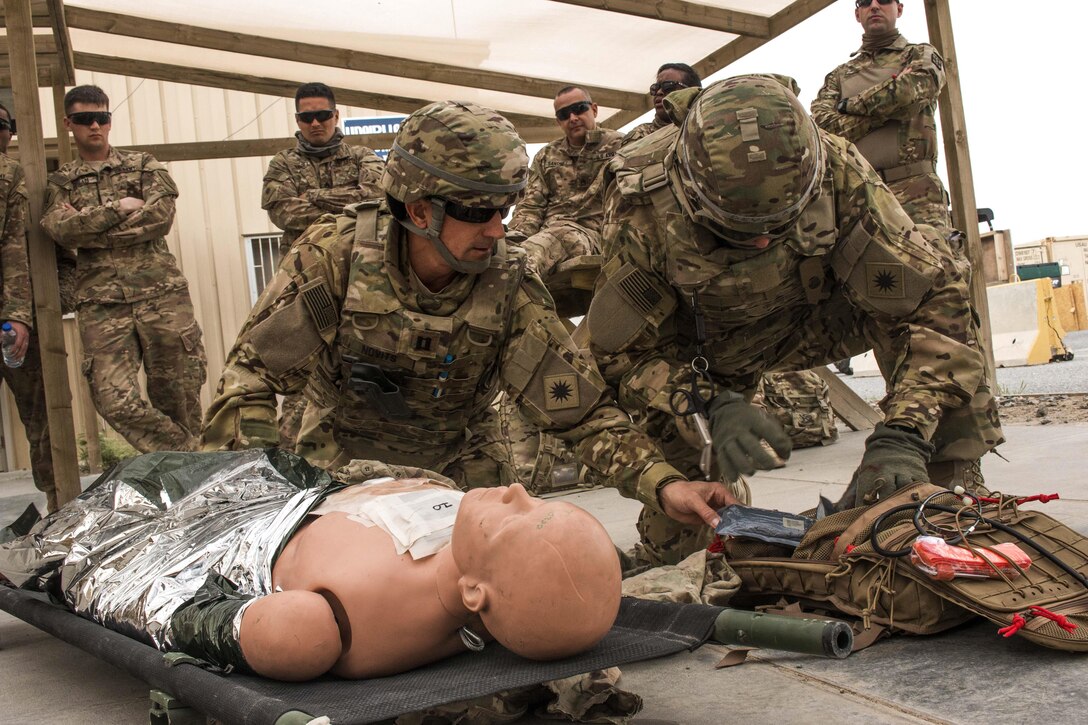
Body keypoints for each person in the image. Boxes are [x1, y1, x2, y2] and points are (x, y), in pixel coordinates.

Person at [201, 100, 732, 531]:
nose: (498, 231)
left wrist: (663, 482)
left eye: (503, 210)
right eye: (479, 213)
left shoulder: (509, 284)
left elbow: (578, 409)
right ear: (419, 209)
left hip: (464, 462)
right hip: (340, 460)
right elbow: (248, 380)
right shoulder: (335, 260)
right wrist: (260, 504)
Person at [587, 75, 1003, 523]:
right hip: (710, 353)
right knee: (690, 531)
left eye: (780, 226)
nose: (765, 243)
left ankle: (950, 496)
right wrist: (705, 401)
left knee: (945, 306)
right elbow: (623, 355)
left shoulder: (836, 165)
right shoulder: (640, 202)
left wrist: (904, 433)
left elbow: (936, 300)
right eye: (739, 233)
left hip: (819, 319)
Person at [0, 451, 620, 682]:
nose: (515, 490)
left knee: (108, 503)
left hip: (219, 539)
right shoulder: (472, 557)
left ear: (477, 594)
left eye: (512, 518)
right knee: (142, 468)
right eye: (534, 498)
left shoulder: (322, 626)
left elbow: (177, 610)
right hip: (283, 486)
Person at [41, 85, 207, 454]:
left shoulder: (144, 165)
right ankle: (195, 454)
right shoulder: (61, 181)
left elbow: (159, 218)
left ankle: (191, 481)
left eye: (102, 117)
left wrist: (89, 228)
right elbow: (58, 229)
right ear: (69, 123)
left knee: (179, 397)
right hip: (102, 304)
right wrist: (118, 208)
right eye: (85, 119)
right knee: (113, 399)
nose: (95, 126)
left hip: (162, 296)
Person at [261, 82, 385, 449]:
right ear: (298, 120)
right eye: (306, 117)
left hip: (358, 277)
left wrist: (312, 197)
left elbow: (378, 198)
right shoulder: (283, 164)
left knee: (362, 359)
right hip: (306, 279)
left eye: (322, 115)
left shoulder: (363, 157)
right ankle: (291, 459)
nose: (316, 123)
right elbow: (283, 211)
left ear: (336, 116)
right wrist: (350, 202)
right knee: (303, 363)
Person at [811, 0, 953, 240]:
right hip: (861, 197)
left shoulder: (920, 54)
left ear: (899, 9)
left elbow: (908, 94)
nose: (874, 6)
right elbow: (822, 128)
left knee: (932, 271)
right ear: (858, 14)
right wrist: (887, 109)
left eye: (884, 0)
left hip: (917, 193)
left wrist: (849, 105)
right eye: (865, 2)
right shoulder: (839, 76)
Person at [505, 86, 623, 289]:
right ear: (558, 121)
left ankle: (510, 281)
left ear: (594, 109)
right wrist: (514, 240)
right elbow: (530, 207)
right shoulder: (547, 155)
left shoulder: (621, 146)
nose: (573, 117)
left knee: (558, 237)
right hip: (547, 237)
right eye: (564, 114)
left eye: (579, 108)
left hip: (594, 236)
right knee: (501, 247)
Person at [0, 103, 56, 511]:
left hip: (11, 318)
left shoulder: (8, 174)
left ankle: (58, 503)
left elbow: (15, 249)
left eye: (3, 126)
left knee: (41, 417)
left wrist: (17, 314)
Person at [622, 63, 702, 147]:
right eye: (656, 87)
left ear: (691, 92)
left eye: (668, 86)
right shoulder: (641, 135)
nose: (659, 92)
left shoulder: (703, 127)